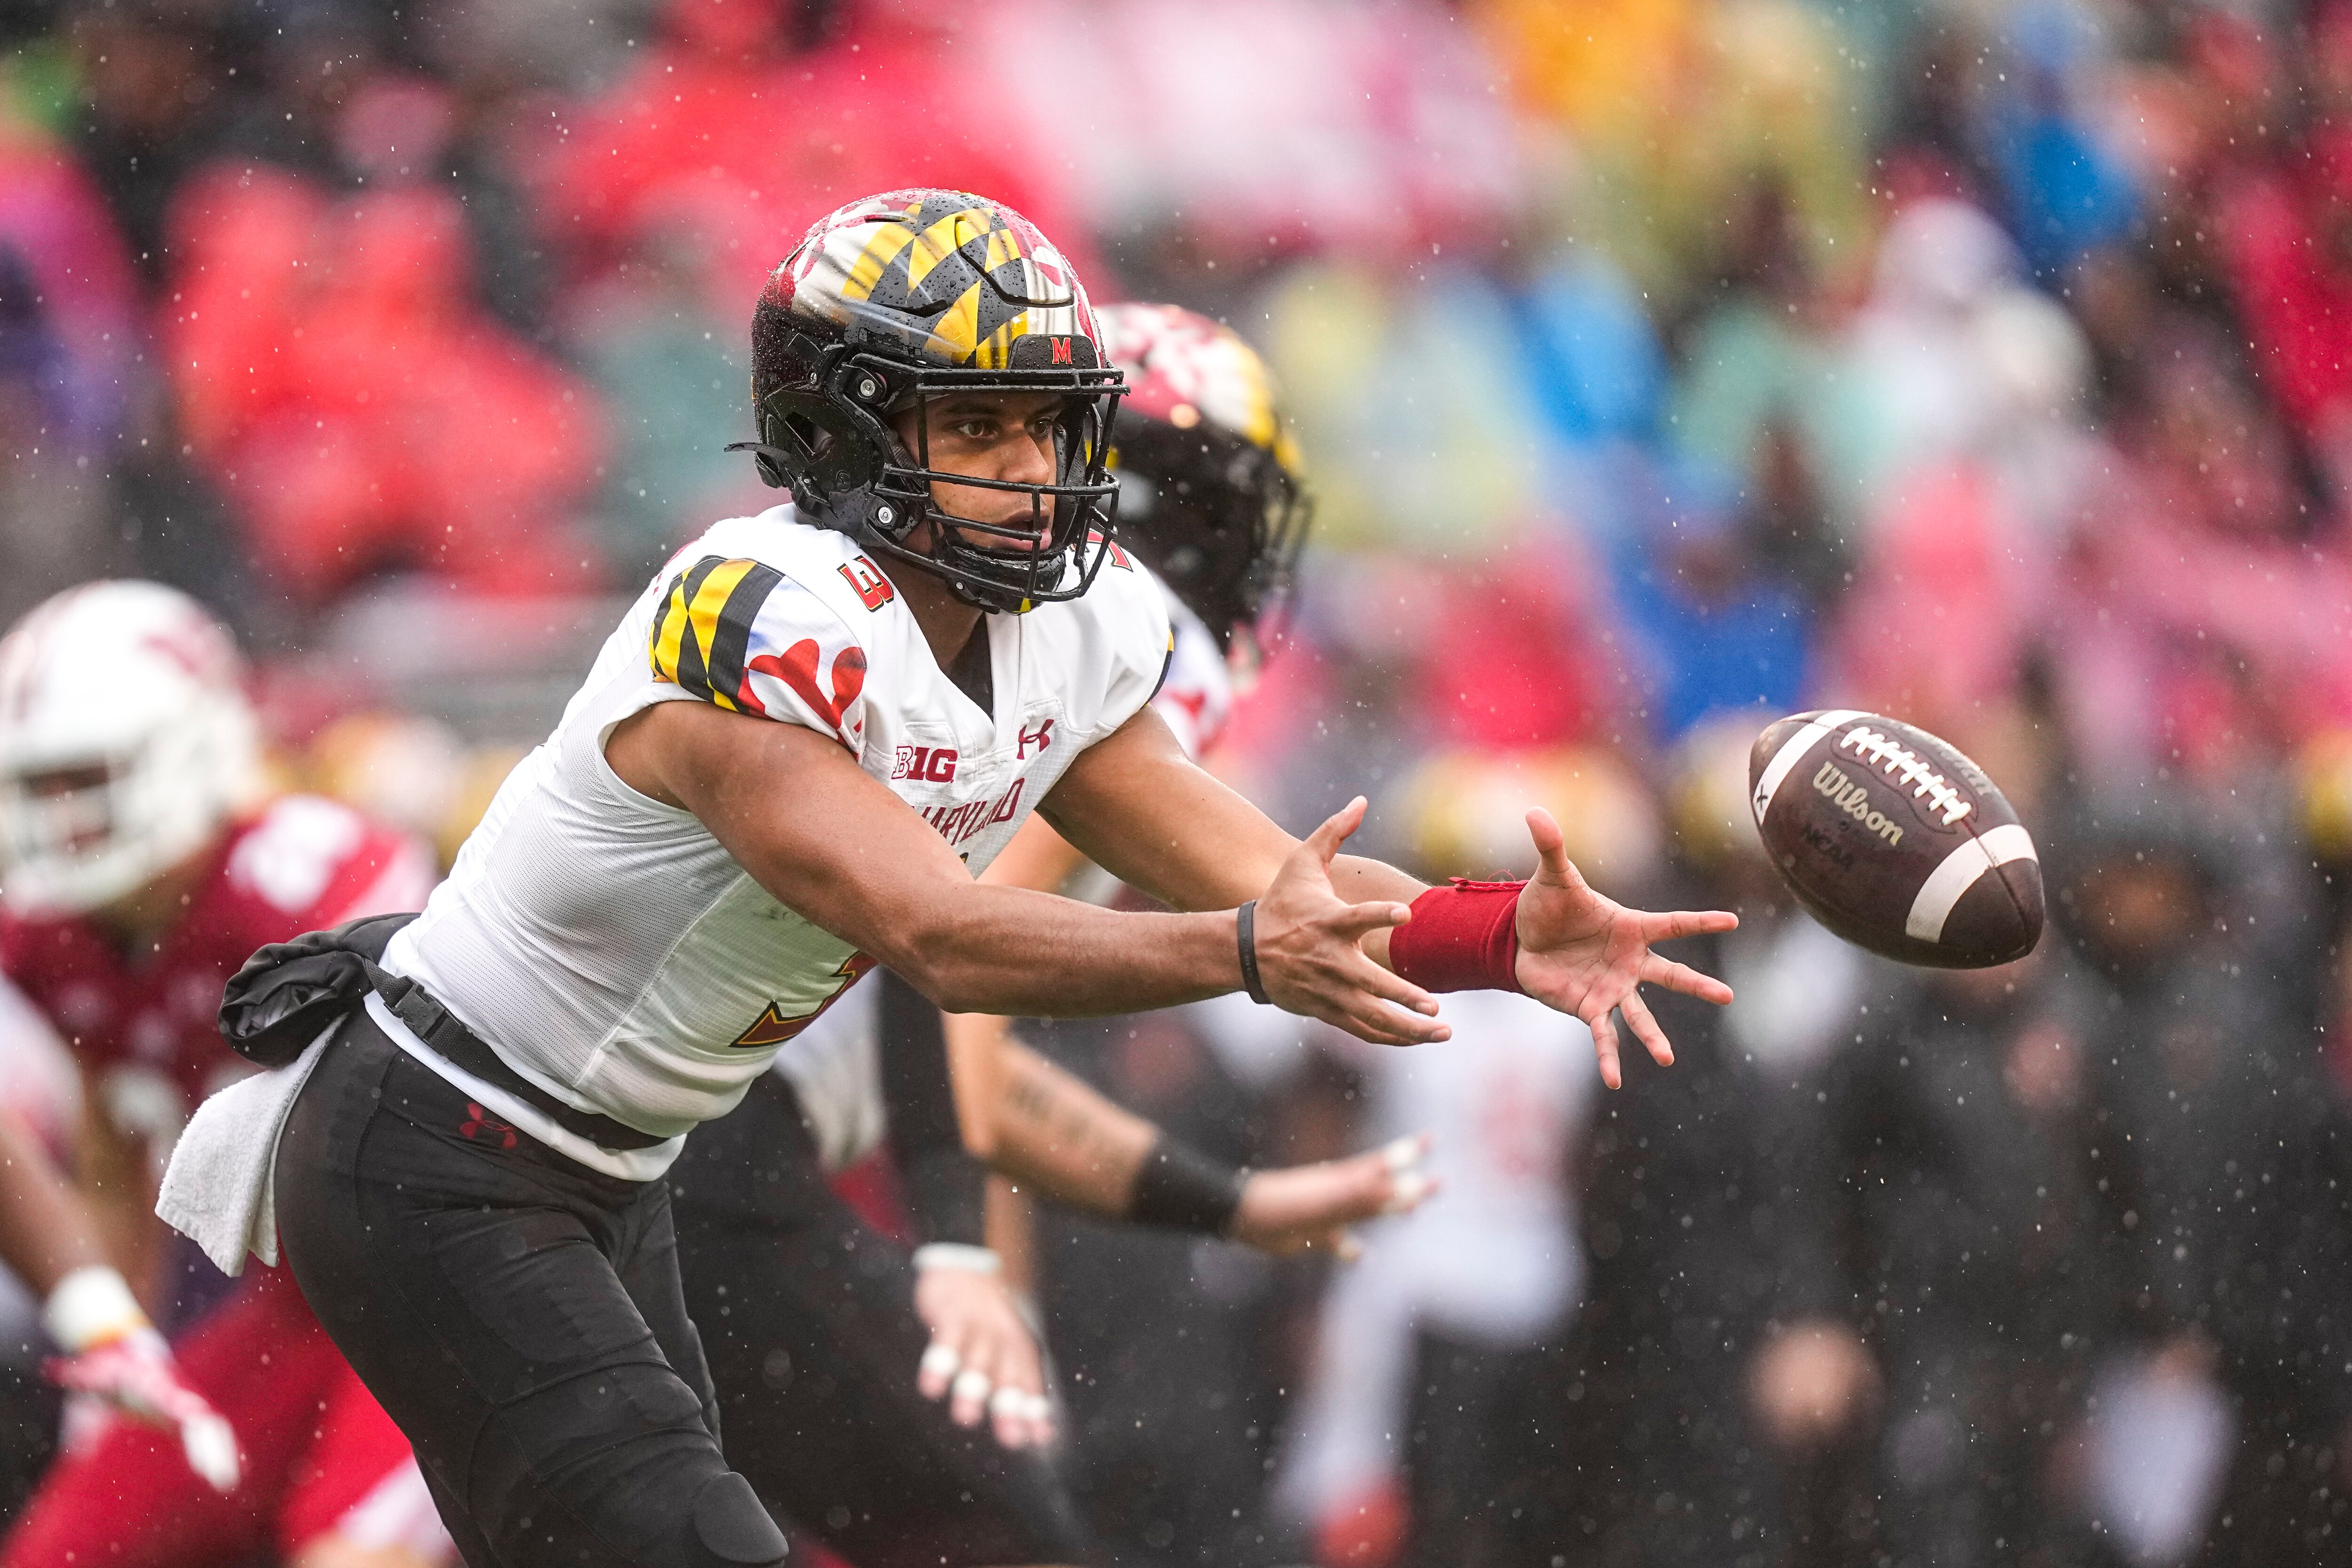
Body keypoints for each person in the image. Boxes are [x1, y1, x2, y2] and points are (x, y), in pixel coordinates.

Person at [164, 188, 1737, 1568]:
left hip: (611, 1160)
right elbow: (946, 934)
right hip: (442, 1149)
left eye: (1049, 423)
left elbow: (1268, 869)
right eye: (976, 424)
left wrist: (1489, 934)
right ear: (843, 433)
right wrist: (1247, 953)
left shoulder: (1069, 630)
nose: (1032, 465)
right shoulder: (756, 617)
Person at [668, 299, 1412, 1568]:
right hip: (732, 1143)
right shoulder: (1126, 629)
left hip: (694, 1131)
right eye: (1232, 501)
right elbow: (955, 959)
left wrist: (1225, 1202)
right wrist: (983, 1275)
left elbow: (973, 1046)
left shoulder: (977, 606)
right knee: (998, 1534)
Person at [0, 580, 451, 1568]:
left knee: (351, 1554)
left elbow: (440, 1161)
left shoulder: (302, 882)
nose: (63, 818)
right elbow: (115, 1156)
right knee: (66, 1551)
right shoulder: (54, 938)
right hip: (296, 1312)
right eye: (41, 787)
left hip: (444, 1286)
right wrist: (115, 1356)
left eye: (87, 777)